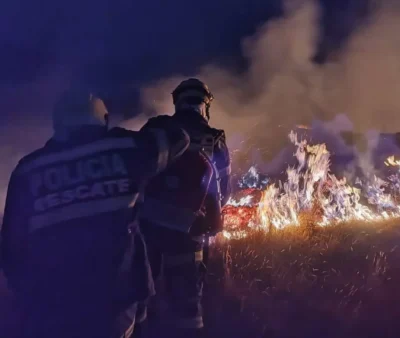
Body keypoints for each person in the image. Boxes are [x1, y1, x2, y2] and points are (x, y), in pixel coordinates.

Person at [0, 87, 190, 338]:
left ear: (58, 123)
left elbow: (11, 250)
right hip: (115, 300)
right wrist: (157, 123)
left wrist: (33, 295)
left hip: (51, 306)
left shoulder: (29, 170)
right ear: (103, 121)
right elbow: (178, 137)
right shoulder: (125, 150)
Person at [139, 78, 231, 337]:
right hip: (190, 233)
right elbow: (223, 189)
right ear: (205, 105)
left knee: (140, 298)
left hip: (148, 228)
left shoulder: (157, 128)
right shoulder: (214, 139)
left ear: (177, 102)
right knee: (187, 306)